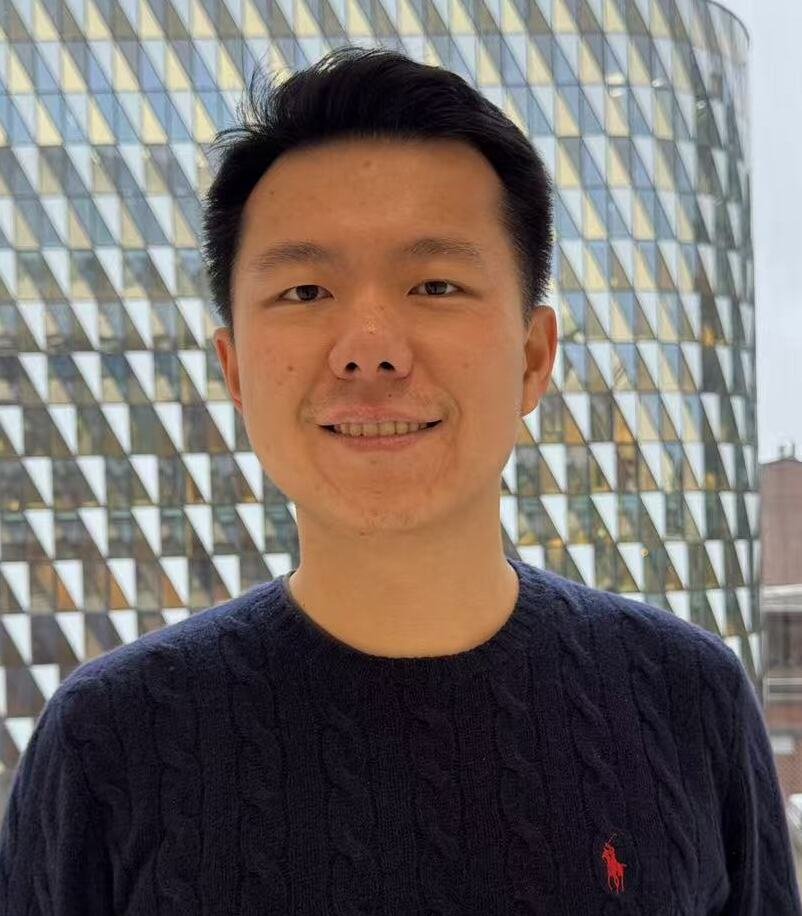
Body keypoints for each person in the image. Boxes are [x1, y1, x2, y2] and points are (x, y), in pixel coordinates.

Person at [1, 45, 800, 915]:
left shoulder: (687, 699)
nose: (369, 344)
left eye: (435, 283)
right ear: (234, 369)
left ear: (534, 359)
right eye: (305, 292)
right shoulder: (111, 740)